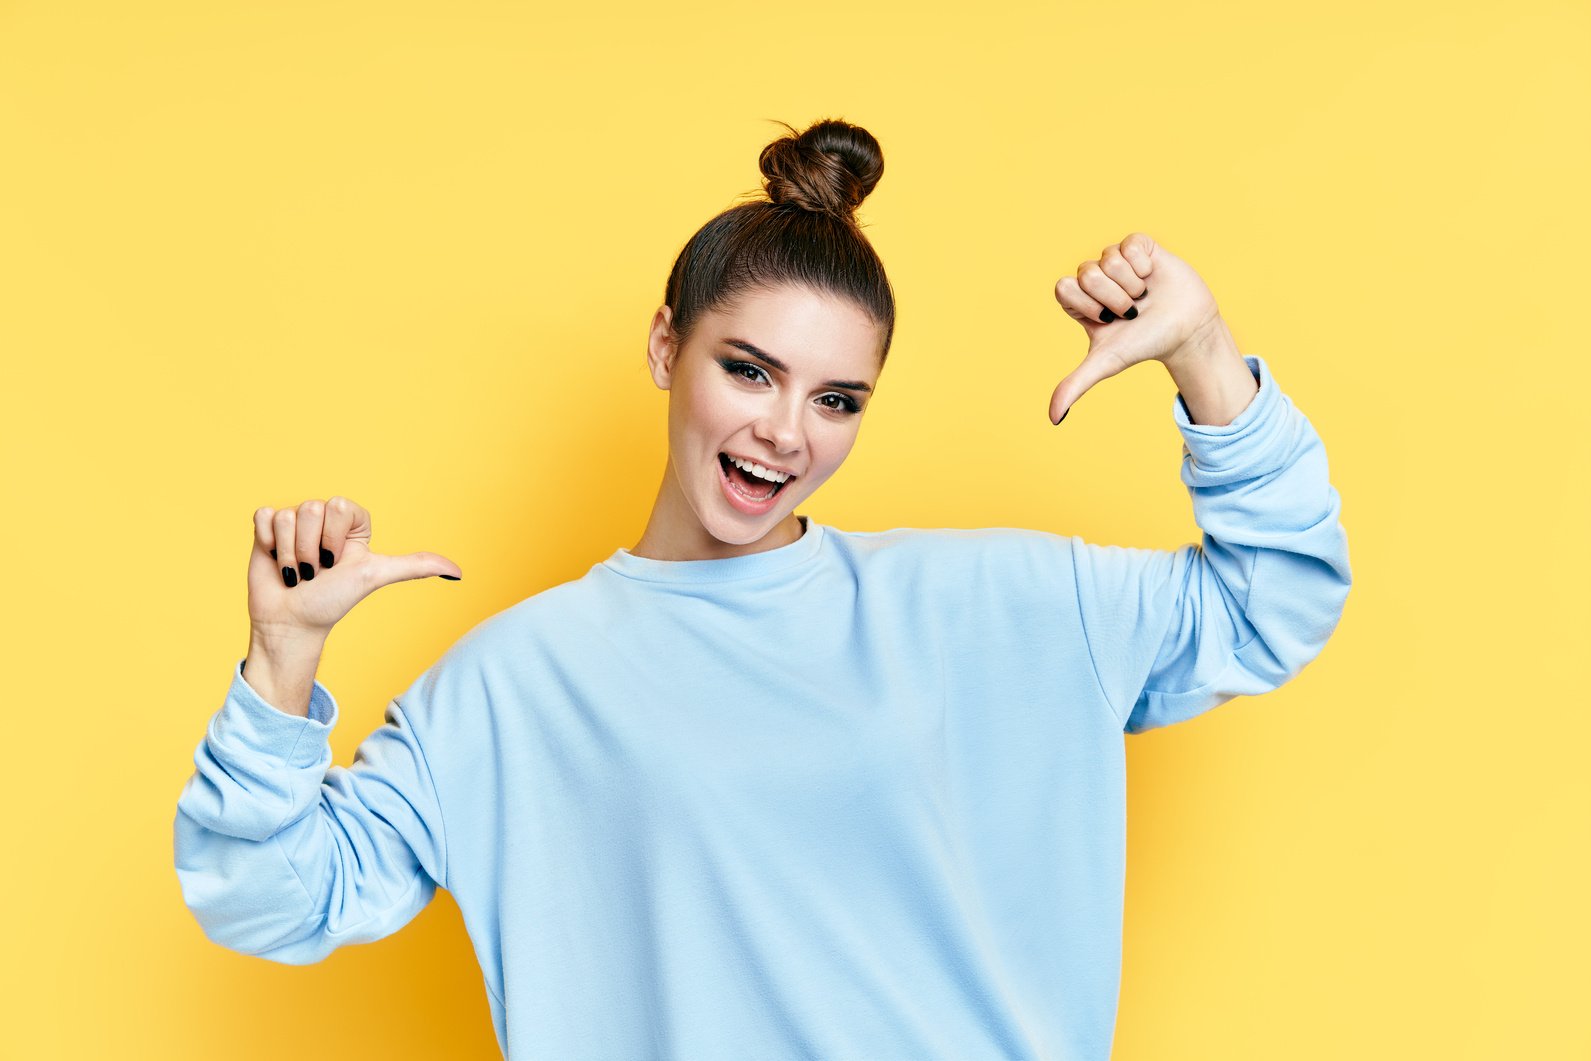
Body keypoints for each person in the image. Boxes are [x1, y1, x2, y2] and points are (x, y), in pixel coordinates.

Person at [173, 117, 1351, 1060]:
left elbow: (1275, 599)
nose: (785, 432)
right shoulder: (511, 685)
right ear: (663, 349)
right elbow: (270, 898)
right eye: (749, 371)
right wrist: (281, 662)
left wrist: (1201, 351)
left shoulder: (988, 602)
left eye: (837, 399)